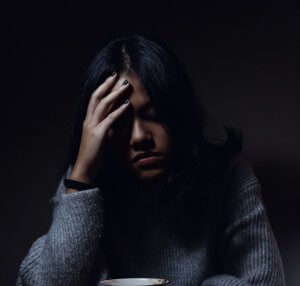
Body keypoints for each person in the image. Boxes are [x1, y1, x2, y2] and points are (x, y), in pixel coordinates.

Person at [16, 33, 285, 286]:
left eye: (154, 115)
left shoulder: (227, 175)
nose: (139, 137)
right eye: (119, 122)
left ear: (178, 114)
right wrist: (82, 174)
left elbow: (266, 281)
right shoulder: (85, 185)